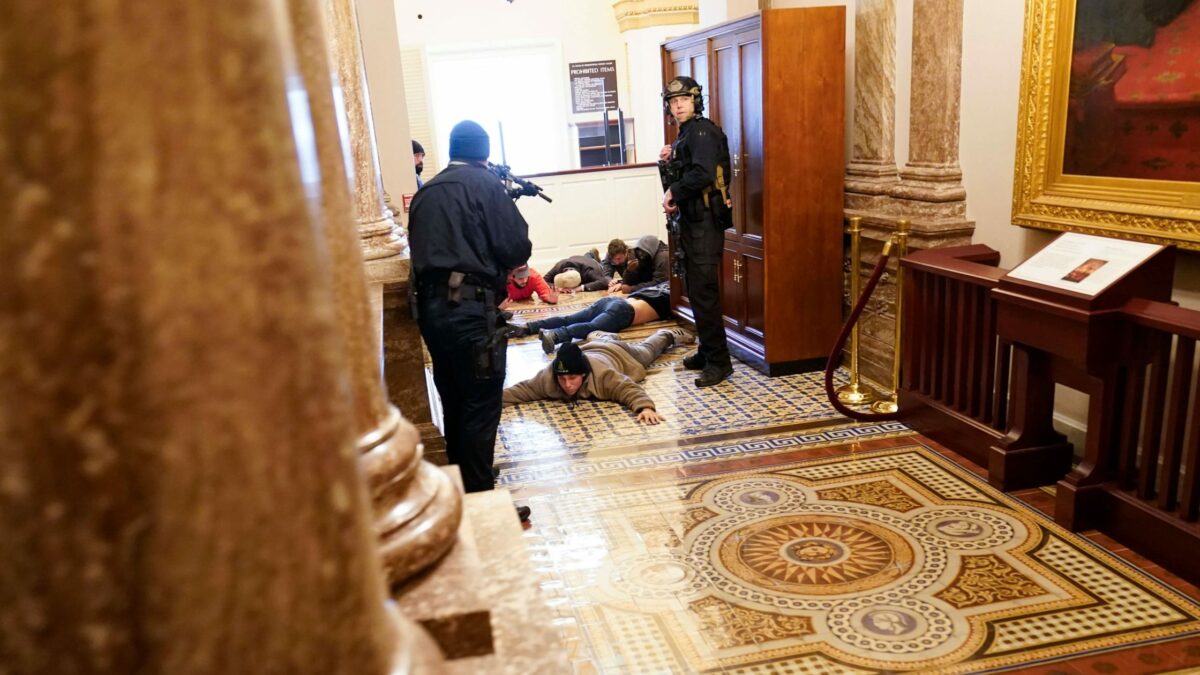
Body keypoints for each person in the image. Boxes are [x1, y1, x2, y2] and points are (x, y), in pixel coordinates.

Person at [408, 120, 532, 521]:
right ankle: (483, 509)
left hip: (432, 313)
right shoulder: (485, 186)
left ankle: (465, 487)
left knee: (455, 400)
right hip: (471, 311)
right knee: (480, 405)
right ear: (484, 152)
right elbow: (515, 244)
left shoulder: (427, 193)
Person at [661, 75, 734, 388]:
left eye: (684, 101)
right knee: (696, 290)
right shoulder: (686, 134)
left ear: (695, 101)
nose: (678, 107)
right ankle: (706, 351)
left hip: (704, 223)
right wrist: (666, 163)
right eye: (674, 102)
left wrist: (673, 191)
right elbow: (684, 173)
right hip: (692, 223)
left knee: (704, 293)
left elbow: (702, 174)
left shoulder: (701, 131)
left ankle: (720, 362)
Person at [503, 329, 695, 423]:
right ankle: (600, 336)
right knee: (601, 339)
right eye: (563, 379)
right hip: (590, 349)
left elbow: (627, 387)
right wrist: (491, 401)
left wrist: (645, 408)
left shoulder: (603, 375)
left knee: (648, 351)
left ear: (584, 375)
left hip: (619, 354)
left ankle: (667, 334)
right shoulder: (548, 377)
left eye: (573, 378)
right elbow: (523, 390)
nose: (567, 385)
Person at [515, 281, 674, 354]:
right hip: (624, 311)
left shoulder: (660, 287)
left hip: (611, 301)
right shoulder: (674, 297)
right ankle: (556, 335)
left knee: (569, 318)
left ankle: (528, 327)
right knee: (592, 327)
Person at [545, 253, 610, 292]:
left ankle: (591, 255)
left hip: (593, 264)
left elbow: (605, 282)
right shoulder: (558, 266)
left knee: (600, 265)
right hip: (577, 259)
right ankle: (589, 254)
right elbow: (543, 280)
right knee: (586, 257)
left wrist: (582, 288)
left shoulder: (588, 271)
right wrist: (558, 288)